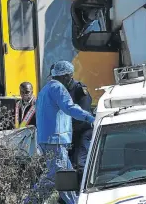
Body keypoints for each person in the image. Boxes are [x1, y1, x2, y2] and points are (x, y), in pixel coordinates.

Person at [25, 61, 95, 204]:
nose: (71, 79)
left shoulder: (45, 90)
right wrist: (90, 117)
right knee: (55, 177)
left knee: (66, 178)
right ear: (65, 76)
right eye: (70, 76)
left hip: (47, 139)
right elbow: (70, 108)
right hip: (55, 140)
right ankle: (30, 202)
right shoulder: (58, 88)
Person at [50, 64, 94, 185]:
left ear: (68, 76)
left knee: (80, 164)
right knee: (67, 168)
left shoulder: (79, 89)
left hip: (82, 132)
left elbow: (82, 116)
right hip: (68, 135)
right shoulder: (59, 91)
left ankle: (83, 191)